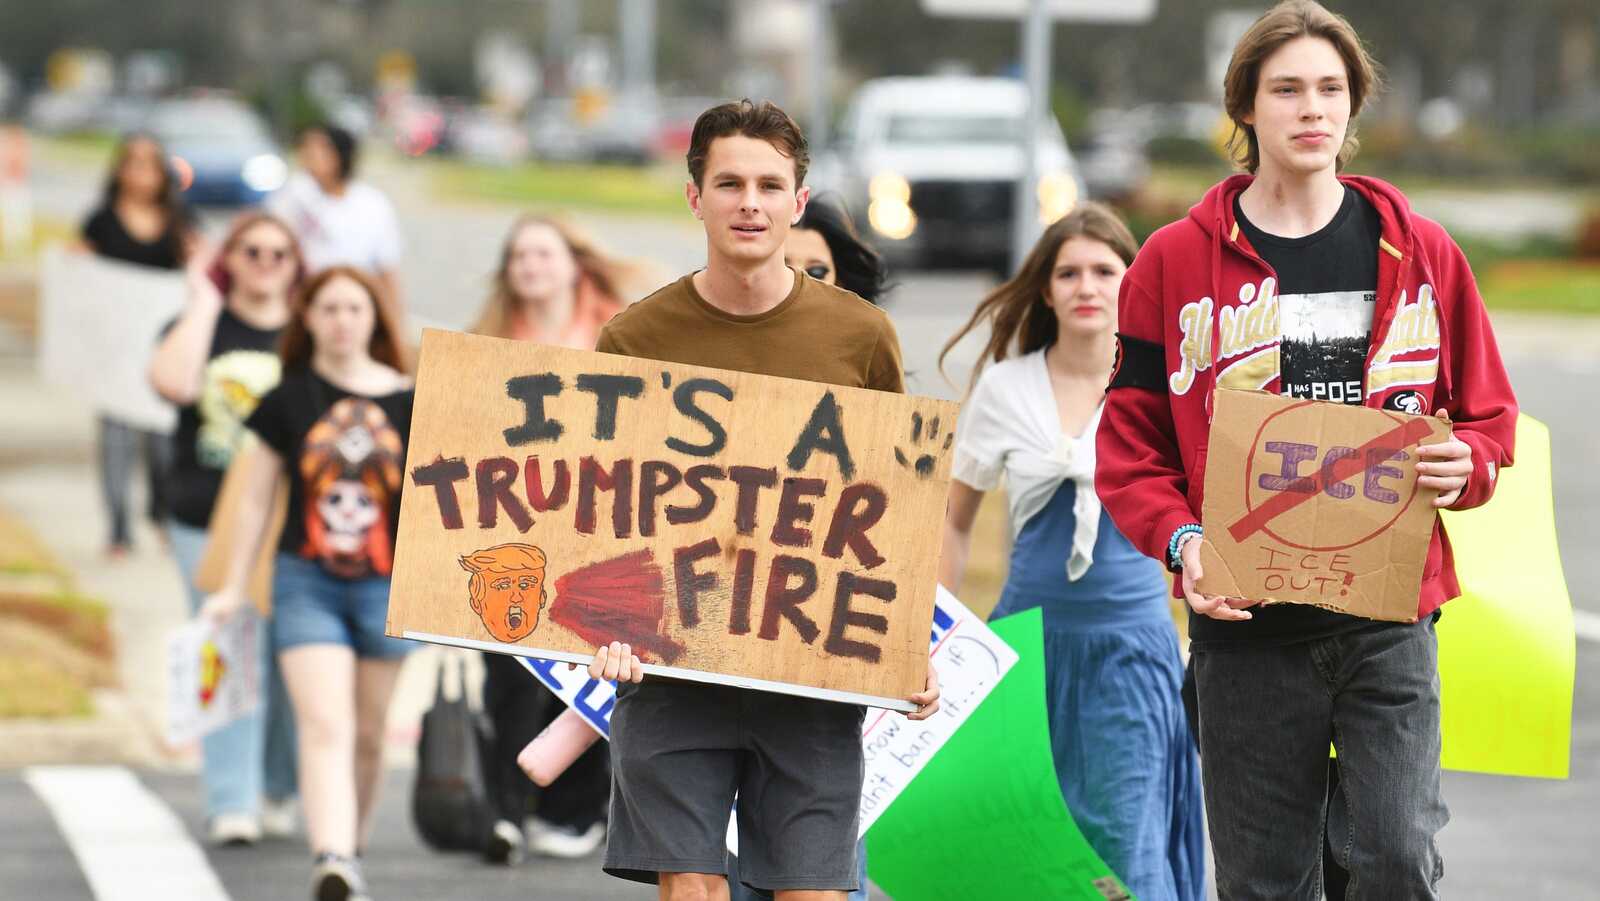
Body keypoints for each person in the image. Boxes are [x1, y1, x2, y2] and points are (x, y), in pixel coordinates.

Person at [1095, 3, 1518, 897]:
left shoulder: (1425, 253)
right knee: (1264, 880)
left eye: (1331, 89)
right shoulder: (1172, 263)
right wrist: (1183, 543)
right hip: (1246, 635)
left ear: (1353, 107)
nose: (1312, 109)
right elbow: (1129, 449)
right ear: (1245, 109)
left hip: (1388, 620)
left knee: (1396, 858)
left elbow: (1487, 421)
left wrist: (1467, 464)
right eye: (1286, 89)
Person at [582, 99, 940, 901]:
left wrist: (908, 637)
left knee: (813, 891)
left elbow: (893, 506)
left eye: (770, 185)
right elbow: (602, 508)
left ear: (798, 202)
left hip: (809, 665)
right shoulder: (635, 339)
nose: (751, 202)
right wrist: (604, 628)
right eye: (731, 182)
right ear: (694, 195)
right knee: (693, 889)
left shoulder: (860, 336)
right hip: (674, 668)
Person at [936, 203, 1205, 901]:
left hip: (1133, 655)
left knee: (1123, 850)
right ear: (1047, 289)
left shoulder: (1172, 385)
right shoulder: (1005, 387)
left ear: (1133, 279)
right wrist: (935, 636)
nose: (1087, 285)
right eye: (1068, 272)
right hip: (1024, 654)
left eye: (1105, 270)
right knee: (1023, 851)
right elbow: (954, 520)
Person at [201, 266, 416, 901]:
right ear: (309, 319)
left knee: (371, 735)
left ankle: (353, 841)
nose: (342, 321)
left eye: (354, 308)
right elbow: (253, 501)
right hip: (305, 581)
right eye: (329, 309)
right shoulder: (288, 399)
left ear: (375, 318)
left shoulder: (416, 399)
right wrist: (235, 584)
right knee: (325, 723)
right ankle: (335, 855)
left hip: (388, 585)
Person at [469, 215, 637, 865]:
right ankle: (507, 809)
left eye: (542, 252)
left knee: (588, 670)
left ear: (574, 263)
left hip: (595, 535)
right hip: (511, 534)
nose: (529, 265)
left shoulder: (620, 336)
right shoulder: (487, 344)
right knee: (508, 673)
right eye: (518, 255)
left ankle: (574, 809)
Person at [148, 212, 305, 846]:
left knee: (290, 658)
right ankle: (230, 799)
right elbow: (174, 383)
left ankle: (277, 785)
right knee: (227, 649)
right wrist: (203, 300)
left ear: (296, 265)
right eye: (252, 251)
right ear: (230, 258)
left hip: (289, 522)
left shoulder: (308, 336)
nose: (265, 262)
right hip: (203, 514)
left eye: (279, 253)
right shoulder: (200, 325)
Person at [80, 132, 197, 556]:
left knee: (165, 441)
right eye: (133, 163)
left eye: (150, 164)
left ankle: (163, 515)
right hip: (113, 350)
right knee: (115, 440)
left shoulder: (181, 220)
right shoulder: (102, 220)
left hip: (162, 353)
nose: (141, 173)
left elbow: (197, 273)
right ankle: (117, 529)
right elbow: (81, 279)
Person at [268, 124, 406, 336]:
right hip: (303, 304)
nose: (311, 155)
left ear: (341, 154)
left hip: (355, 305)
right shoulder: (292, 196)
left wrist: (395, 323)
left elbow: (387, 269)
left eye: (321, 148)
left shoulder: (372, 204)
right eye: (306, 148)